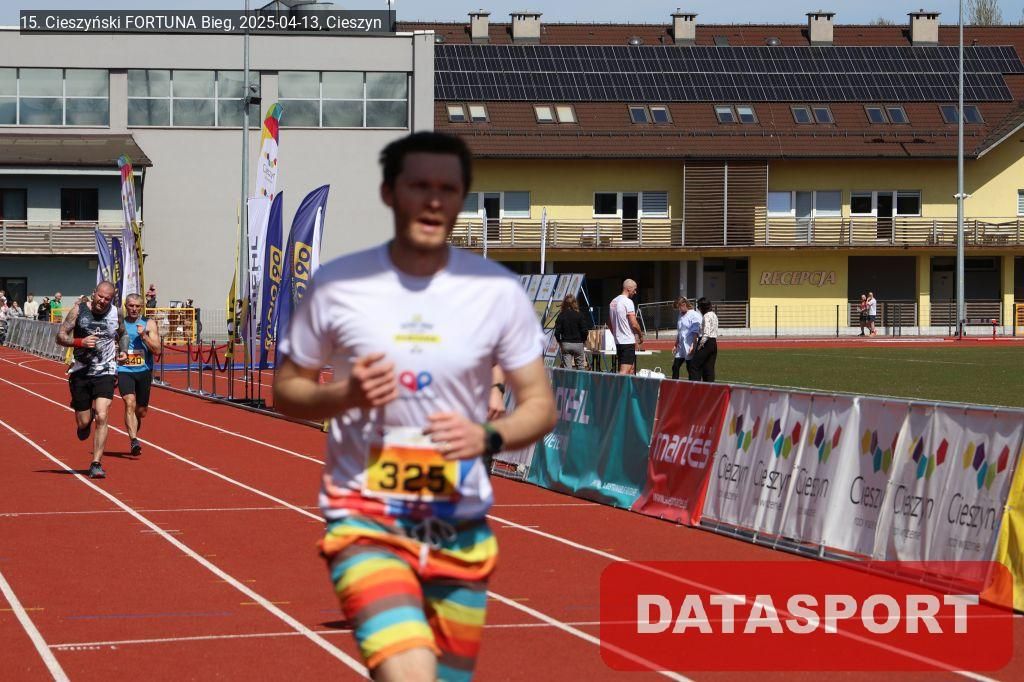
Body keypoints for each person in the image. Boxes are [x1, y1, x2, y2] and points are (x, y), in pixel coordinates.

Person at [273, 132, 557, 682]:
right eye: (418, 186)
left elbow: (541, 405)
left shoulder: (498, 294)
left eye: (447, 189)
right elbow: (285, 390)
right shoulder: (339, 287)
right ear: (389, 193)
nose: (432, 200)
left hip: (458, 530)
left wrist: (489, 436)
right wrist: (343, 395)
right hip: (367, 519)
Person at [55, 281, 126, 479]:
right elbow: (60, 337)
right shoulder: (78, 310)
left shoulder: (116, 313)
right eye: (100, 296)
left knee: (103, 416)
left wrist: (124, 350)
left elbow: (123, 334)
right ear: (94, 293)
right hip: (81, 371)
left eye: (107, 299)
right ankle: (86, 419)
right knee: (84, 422)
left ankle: (96, 463)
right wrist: (80, 342)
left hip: (106, 370)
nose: (102, 301)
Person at [117, 293, 161, 456]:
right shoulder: (119, 324)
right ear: (126, 306)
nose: (134, 309)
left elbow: (157, 350)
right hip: (124, 370)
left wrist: (143, 336)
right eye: (131, 305)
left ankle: (135, 420)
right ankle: (134, 440)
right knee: (129, 402)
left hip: (144, 371)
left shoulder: (149, 324)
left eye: (137, 306)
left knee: (141, 411)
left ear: (142, 307)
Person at [609, 278, 643, 375]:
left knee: (631, 369)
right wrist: (640, 335)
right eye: (634, 289)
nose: (635, 292)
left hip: (619, 341)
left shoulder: (613, 302)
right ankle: (616, 385)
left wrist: (616, 334)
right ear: (629, 288)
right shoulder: (628, 302)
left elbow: (609, 322)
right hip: (627, 341)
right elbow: (634, 323)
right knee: (624, 371)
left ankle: (628, 386)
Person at [554, 293, 589, 370]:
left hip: (566, 344)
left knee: (567, 369)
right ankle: (581, 378)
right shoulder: (579, 315)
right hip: (578, 343)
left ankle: (568, 378)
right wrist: (583, 340)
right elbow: (585, 330)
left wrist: (560, 342)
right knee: (581, 367)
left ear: (564, 304)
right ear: (575, 303)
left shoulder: (561, 315)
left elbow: (557, 332)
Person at [688, 297, 719, 382]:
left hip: (706, 342)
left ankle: (695, 385)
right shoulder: (714, 315)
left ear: (703, 307)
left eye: (699, 307)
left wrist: (700, 346)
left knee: (694, 365)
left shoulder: (706, 316)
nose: (699, 309)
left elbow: (706, 334)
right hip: (713, 342)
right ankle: (709, 387)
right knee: (709, 368)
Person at [671, 297, 702, 380]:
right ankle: (674, 384)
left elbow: (696, 332)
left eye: (679, 307)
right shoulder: (680, 315)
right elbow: (680, 331)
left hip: (690, 344)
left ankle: (692, 384)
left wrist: (693, 346)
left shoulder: (694, 314)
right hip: (681, 346)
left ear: (684, 305)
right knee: (675, 366)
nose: (679, 310)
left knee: (690, 367)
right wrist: (676, 344)